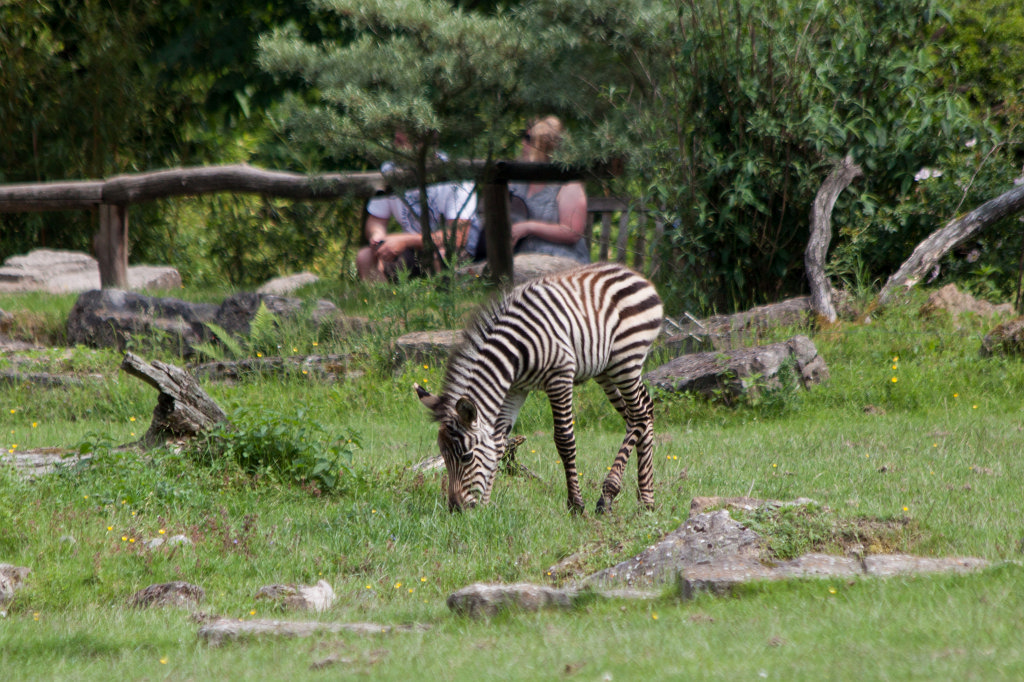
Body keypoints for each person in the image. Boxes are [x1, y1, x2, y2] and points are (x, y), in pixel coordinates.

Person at [356, 133, 478, 282]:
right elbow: (376, 220)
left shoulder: (455, 173)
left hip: (456, 251)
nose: (394, 147)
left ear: (423, 144)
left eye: (400, 142)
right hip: (411, 251)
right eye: (395, 140)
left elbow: (458, 237)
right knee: (365, 257)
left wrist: (406, 241)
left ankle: (441, 302)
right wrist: (377, 236)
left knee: (440, 255)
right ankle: (380, 301)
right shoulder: (389, 169)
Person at [505, 116, 590, 264]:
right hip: (523, 261)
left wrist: (529, 227)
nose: (522, 144)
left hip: (561, 264)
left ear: (542, 146)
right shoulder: (517, 182)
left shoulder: (568, 185)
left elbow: (572, 233)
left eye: (528, 138)